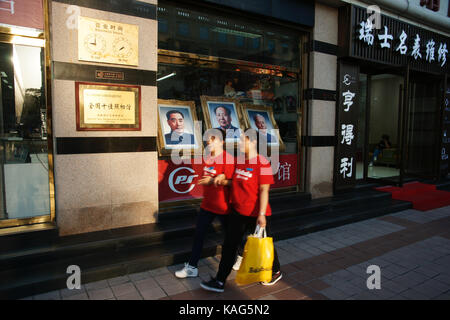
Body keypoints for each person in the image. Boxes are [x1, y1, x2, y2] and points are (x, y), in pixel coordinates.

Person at [200, 128, 282, 293]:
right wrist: (223, 179)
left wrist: (261, 214)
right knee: (229, 246)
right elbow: (234, 181)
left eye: (242, 139)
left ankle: (275, 271)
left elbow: (265, 190)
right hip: (238, 212)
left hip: (256, 213)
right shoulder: (239, 161)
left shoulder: (263, 163)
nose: (239, 142)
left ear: (253, 142)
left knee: (265, 243)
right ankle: (220, 281)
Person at [175, 129, 241, 278]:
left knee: (231, 236)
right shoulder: (208, 157)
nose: (209, 142)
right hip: (207, 204)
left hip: (224, 206)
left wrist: (215, 180)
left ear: (222, 142)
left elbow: (234, 183)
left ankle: (241, 256)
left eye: (213, 139)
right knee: (199, 234)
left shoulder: (228, 159)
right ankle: (192, 267)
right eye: (208, 139)